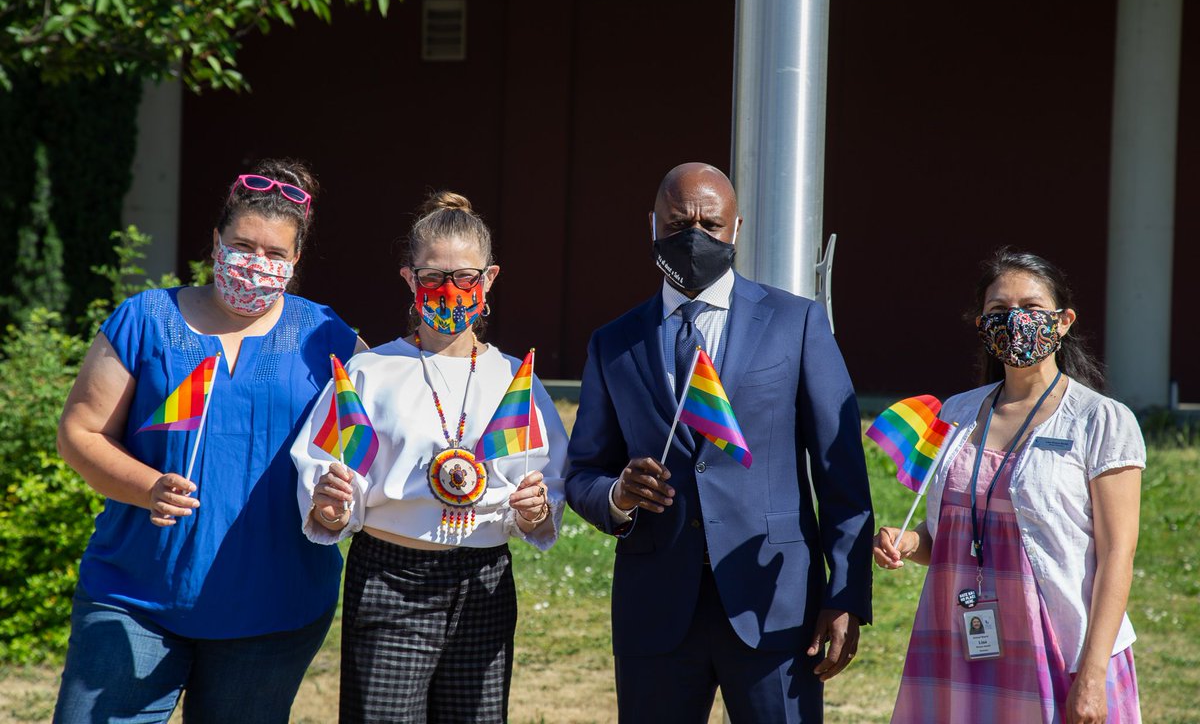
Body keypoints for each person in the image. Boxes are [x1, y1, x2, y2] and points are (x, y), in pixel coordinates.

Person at [54, 160, 364, 723]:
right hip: (134, 599)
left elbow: (374, 442)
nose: (256, 263)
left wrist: (340, 495)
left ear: (295, 262)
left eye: (275, 254)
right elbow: (81, 433)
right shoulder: (145, 318)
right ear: (215, 241)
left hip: (275, 612)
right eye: (243, 245)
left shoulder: (329, 336)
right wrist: (148, 486)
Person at [565, 162, 875, 723]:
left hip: (774, 604)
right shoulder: (614, 342)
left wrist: (847, 594)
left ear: (735, 230)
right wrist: (619, 496)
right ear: (652, 226)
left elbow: (842, 476)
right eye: (680, 222)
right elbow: (583, 473)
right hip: (656, 611)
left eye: (711, 224)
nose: (696, 236)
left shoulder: (796, 323)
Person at [291, 191, 568, 724]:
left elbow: (546, 485)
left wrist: (535, 511)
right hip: (391, 578)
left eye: (465, 277)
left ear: (489, 280)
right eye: (432, 277)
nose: (449, 290)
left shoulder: (517, 381)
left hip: (484, 580)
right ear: (408, 279)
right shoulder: (369, 372)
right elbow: (324, 475)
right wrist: (329, 507)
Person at [874, 248, 1144, 723]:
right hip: (960, 641)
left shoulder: (1100, 419)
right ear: (981, 324)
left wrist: (1093, 672)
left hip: (1059, 649)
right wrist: (908, 541)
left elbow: (1117, 555)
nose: (1016, 321)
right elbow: (948, 536)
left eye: (1032, 308)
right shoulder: (956, 412)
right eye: (999, 311)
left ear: (1062, 322)